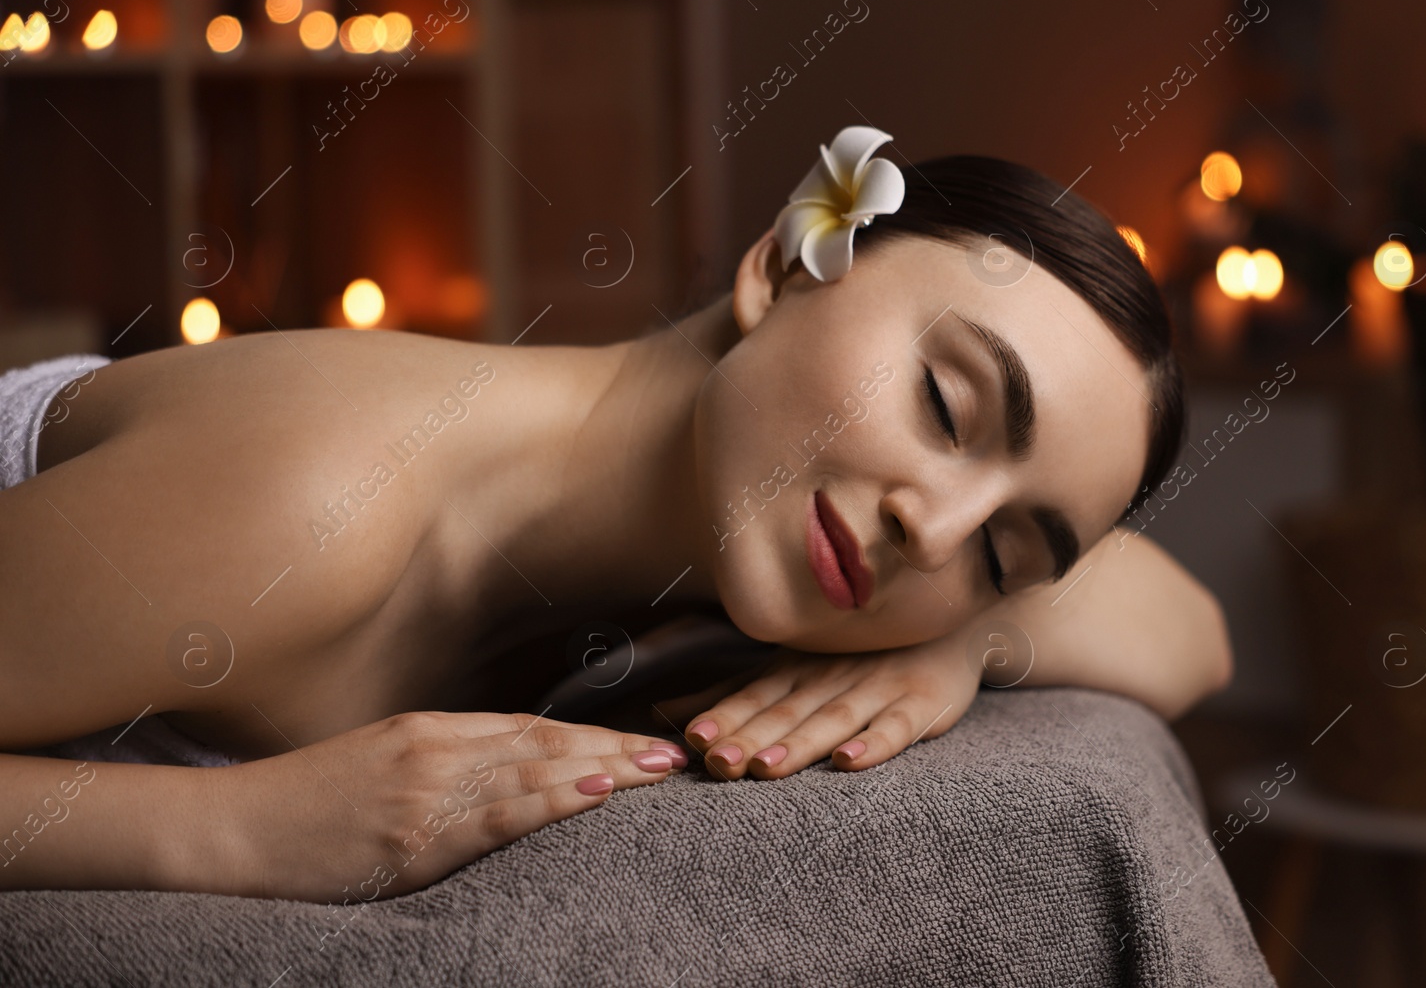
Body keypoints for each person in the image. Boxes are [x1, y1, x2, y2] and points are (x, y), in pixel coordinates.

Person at [0, 128, 1228, 903]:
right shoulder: (319, 499)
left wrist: (958, 641)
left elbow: (1195, 631)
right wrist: (240, 833)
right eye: (945, 404)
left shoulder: (803, 549)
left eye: (1008, 553)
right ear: (786, 261)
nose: (942, 529)